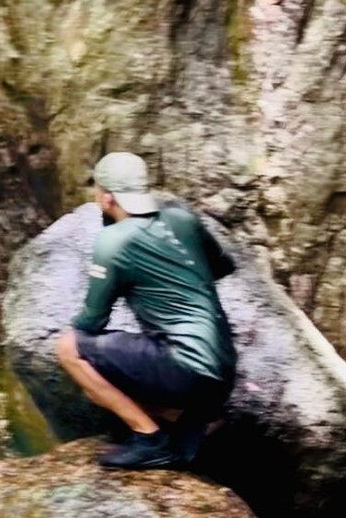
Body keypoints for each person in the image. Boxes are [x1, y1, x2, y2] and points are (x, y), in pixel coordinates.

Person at [55, 152, 237, 470]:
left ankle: (148, 438)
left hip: (184, 368)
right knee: (124, 364)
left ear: (108, 197)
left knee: (70, 349)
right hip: (223, 369)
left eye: (97, 192)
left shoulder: (113, 241)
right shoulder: (183, 219)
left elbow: (92, 321)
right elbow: (223, 265)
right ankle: (188, 419)